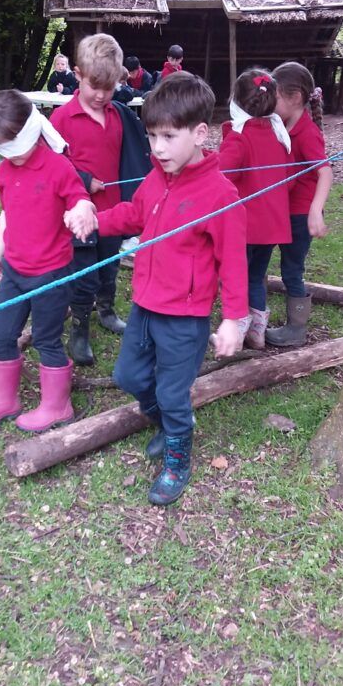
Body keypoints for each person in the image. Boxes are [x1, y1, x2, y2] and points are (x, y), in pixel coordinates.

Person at [65, 72, 250, 507]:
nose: (158, 147)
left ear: (200, 133)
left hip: (184, 319)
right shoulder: (157, 178)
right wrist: (96, 221)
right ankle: (166, 422)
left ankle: (177, 458)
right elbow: (134, 214)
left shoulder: (220, 195)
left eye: (168, 136)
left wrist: (235, 320)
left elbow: (235, 265)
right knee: (126, 375)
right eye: (151, 136)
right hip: (145, 306)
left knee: (172, 392)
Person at [0, 90, 93, 433]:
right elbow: (8, 213)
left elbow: (79, 197)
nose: (9, 156)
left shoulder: (57, 166)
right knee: (3, 334)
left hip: (51, 273)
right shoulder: (6, 171)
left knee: (46, 339)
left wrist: (81, 210)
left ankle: (57, 405)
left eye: (11, 145)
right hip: (15, 273)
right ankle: (4, 400)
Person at [49, 33, 152, 366]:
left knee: (108, 265)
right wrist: (82, 180)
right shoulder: (62, 120)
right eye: (95, 86)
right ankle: (80, 327)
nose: (102, 95)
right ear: (78, 75)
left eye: (109, 88)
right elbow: (51, 165)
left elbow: (134, 155)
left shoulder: (119, 116)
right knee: (84, 272)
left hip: (112, 213)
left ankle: (106, 309)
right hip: (78, 215)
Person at [219, 68, 292, 349]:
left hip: (245, 225)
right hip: (272, 224)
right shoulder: (278, 132)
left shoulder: (239, 135)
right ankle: (257, 332)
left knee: (237, 276)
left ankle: (236, 334)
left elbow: (223, 175)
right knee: (257, 274)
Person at [263, 61, 333, 347]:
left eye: (274, 96)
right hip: (282, 209)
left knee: (292, 269)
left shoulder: (306, 133)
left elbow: (325, 172)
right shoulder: (283, 125)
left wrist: (315, 211)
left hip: (300, 214)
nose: (270, 101)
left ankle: (296, 328)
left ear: (294, 98)